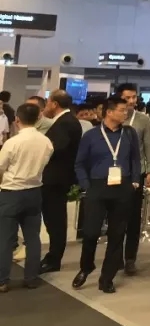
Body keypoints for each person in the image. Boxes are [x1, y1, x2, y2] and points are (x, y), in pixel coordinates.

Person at [72, 96, 141, 293]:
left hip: (123, 187)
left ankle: (107, 278)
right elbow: (79, 163)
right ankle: (86, 267)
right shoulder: (91, 135)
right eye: (122, 110)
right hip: (97, 186)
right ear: (109, 112)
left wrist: (135, 181)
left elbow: (136, 159)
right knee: (91, 232)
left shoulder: (129, 134)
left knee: (117, 234)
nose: (125, 113)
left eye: (126, 110)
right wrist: (86, 185)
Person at [0, 103, 54, 293]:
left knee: (5, 239)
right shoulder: (46, 142)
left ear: (17, 119)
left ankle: (2, 280)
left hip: (11, 192)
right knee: (32, 238)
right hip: (34, 192)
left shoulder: (12, 142)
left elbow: (0, 167)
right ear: (38, 118)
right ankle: (31, 278)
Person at [39, 90, 82, 274]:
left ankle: (54, 258)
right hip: (55, 178)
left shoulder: (67, 122)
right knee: (52, 219)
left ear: (55, 104)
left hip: (56, 179)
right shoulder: (65, 121)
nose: (46, 106)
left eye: (48, 102)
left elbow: (57, 149)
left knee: (55, 220)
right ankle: (53, 256)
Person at [117, 83, 150, 276]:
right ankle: (115, 256)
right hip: (114, 173)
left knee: (133, 217)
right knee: (116, 216)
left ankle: (130, 258)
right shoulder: (113, 117)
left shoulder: (143, 119)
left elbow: (148, 145)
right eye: (127, 98)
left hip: (136, 173)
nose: (132, 101)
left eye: (134, 97)